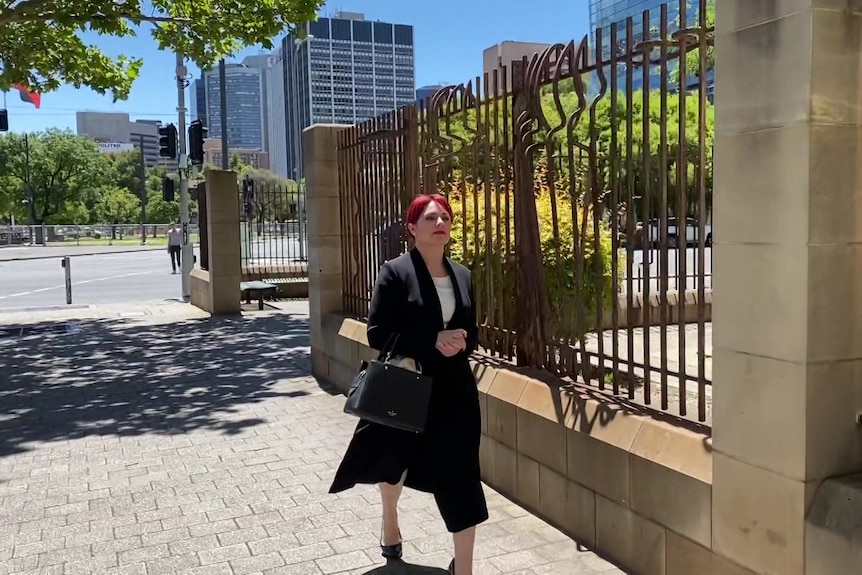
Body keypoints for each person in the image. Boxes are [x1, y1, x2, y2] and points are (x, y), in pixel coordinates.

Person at [329, 194, 487, 575]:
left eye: (445, 216)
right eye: (431, 217)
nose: (440, 222)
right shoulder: (396, 272)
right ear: (412, 228)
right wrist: (431, 340)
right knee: (394, 464)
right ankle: (391, 521)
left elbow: (475, 331)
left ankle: (463, 570)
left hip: (455, 393)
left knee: (462, 477)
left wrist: (463, 341)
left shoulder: (462, 275)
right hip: (407, 388)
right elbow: (378, 332)